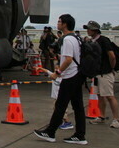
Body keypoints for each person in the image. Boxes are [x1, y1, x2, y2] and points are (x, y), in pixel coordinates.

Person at [34, 14, 87, 145]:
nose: (57, 23)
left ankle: (50, 132)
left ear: (65, 24)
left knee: (60, 105)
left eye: (59, 21)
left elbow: (68, 59)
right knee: (78, 106)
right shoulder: (77, 38)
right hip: (78, 75)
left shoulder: (67, 39)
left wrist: (57, 73)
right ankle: (80, 135)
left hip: (70, 76)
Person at [84, 20, 119, 128]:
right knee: (99, 96)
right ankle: (101, 116)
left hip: (105, 73)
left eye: (89, 29)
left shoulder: (103, 40)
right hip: (96, 73)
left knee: (109, 96)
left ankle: (116, 119)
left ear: (95, 30)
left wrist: (111, 68)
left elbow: (112, 56)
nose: (87, 30)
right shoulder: (92, 41)